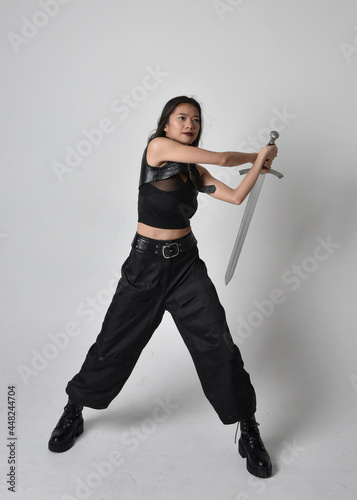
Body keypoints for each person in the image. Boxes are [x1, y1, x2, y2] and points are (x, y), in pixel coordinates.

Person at [48, 96, 278, 479]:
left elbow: (236, 197)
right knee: (114, 344)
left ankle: (248, 428)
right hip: (145, 267)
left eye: (196, 120)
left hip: (186, 267)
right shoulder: (156, 148)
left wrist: (258, 166)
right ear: (167, 124)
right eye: (182, 118)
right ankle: (75, 409)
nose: (190, 124)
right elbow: (222, 158)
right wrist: (259, 153)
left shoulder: (194, 172)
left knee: (217, 345)